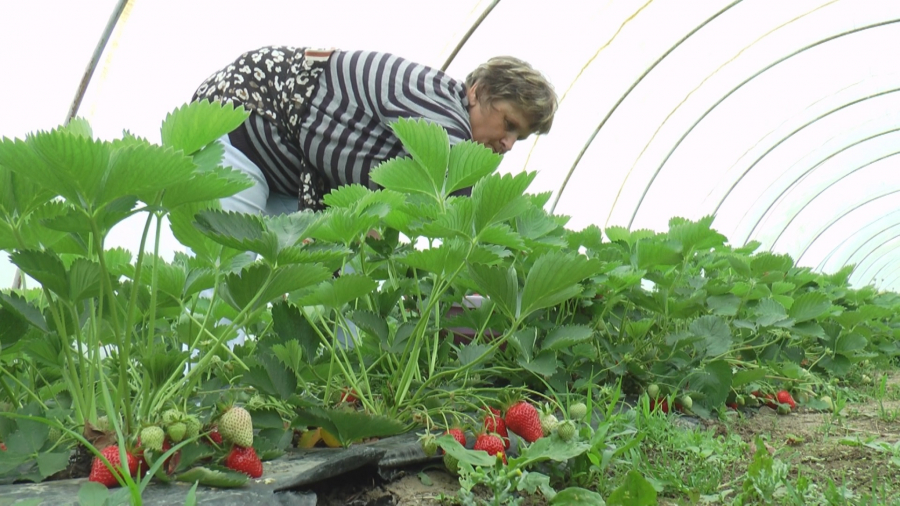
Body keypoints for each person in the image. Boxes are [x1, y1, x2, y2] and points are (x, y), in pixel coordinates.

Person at [191, 46, 558, 216]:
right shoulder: (441, 102)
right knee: (226, 279)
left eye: (520, 137)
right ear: (478, 92)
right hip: (242, 125)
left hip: (287, 173)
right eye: (509, 123)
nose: (509, 144)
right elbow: (459, 201)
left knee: (283, 294)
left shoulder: (438, 117)